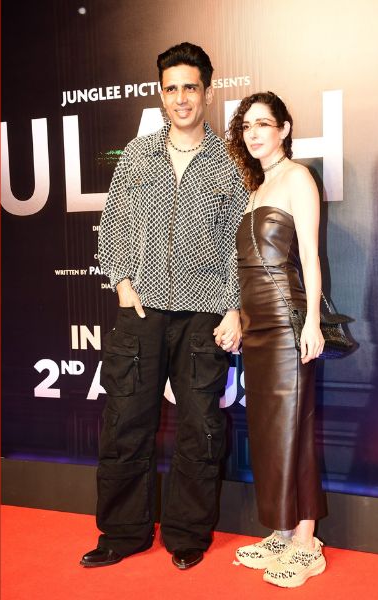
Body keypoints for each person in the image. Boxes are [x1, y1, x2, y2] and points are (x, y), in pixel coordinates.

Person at [80, 42, 248, 571]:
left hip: (204, 313)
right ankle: (122, 532)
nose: (181, 98)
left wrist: (233, 307)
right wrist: (122, 281)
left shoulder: (230, 164)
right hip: (141, 310)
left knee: (200, 428)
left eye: (190, 88)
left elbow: (238, 244)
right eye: (171, 88)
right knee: (125, 422)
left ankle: (187, 533)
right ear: (160, 94)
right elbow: (113, 223)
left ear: (208, 92)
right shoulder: (137, 154)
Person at [225, 91, 328, 588]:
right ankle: (282, 532)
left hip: (288, 320)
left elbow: (309, 256)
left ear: (284, 129)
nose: (254, 133)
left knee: (294, 429)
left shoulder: (298, 178)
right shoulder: (256, 188)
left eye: (264, 123)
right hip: (257, 325)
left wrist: (312, 322)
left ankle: (307, 544)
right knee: (269, 431)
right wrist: (239, 317)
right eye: (247, 126)